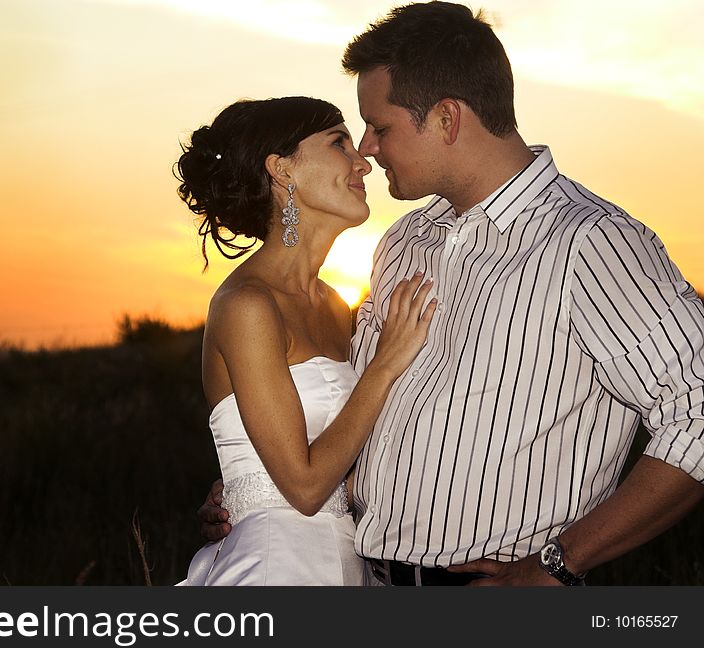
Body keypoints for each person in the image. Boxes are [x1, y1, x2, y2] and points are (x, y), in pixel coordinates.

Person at [199, 2, 704, 586]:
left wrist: (556, 567)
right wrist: (253, 489)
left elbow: (696, 413)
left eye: (380, 127)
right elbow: (360, 425)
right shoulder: (404, 242)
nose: (368, 148)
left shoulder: (589, 244)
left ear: (446, 119)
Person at [174, 96, 437, 585]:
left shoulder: (337, 306)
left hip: (349, 562)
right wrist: (383, 365)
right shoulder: (247, 305)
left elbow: (351, 454)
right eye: (338, 142)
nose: (363, 161)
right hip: (277, 566)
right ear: (281, 170)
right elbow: (305, 486)